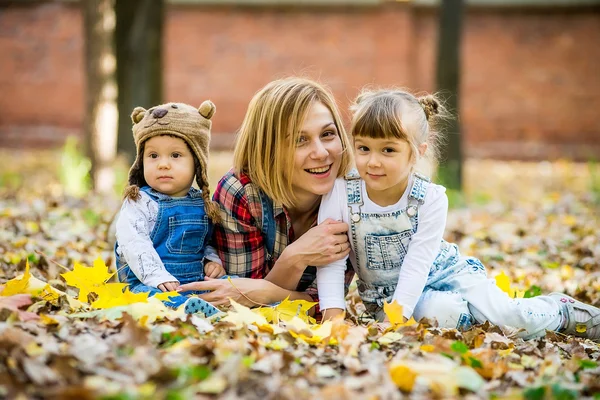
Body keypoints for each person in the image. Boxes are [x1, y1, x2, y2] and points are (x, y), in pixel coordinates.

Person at [316, 88, 600, 341]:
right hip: (388, 300)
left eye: (388, 150)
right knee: (441, 313)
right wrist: (333, 317)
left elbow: (417, 263)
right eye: (364, 148)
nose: (373, 161)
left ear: (416, 154)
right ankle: (475, 317)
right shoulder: (341, 194)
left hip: (449, 273)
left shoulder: (430, 198)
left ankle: (561, 312)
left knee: (506, 314)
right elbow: (331, 260)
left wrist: (396, 320)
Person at [176, 77, 354, 311]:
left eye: (328, 134)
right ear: (268, 149)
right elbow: (242, 305)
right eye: (300, 140)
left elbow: (328, 307)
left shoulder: (354, 195)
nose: (321, 153)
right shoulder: (241, 192)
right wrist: (295, 257)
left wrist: (267, 292)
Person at [115, 101, 224, 316]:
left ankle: (269, 305)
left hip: (194, 283)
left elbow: (205, 241)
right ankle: (186, 309)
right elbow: (133, 243)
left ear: (197, 162)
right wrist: (157, 276)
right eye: (153, 156)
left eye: (175, 155)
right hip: (151, 283)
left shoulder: (201, 204)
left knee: (234, 284)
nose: (163, 164)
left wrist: (213, 261)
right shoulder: (139, 202)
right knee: (150, 299)